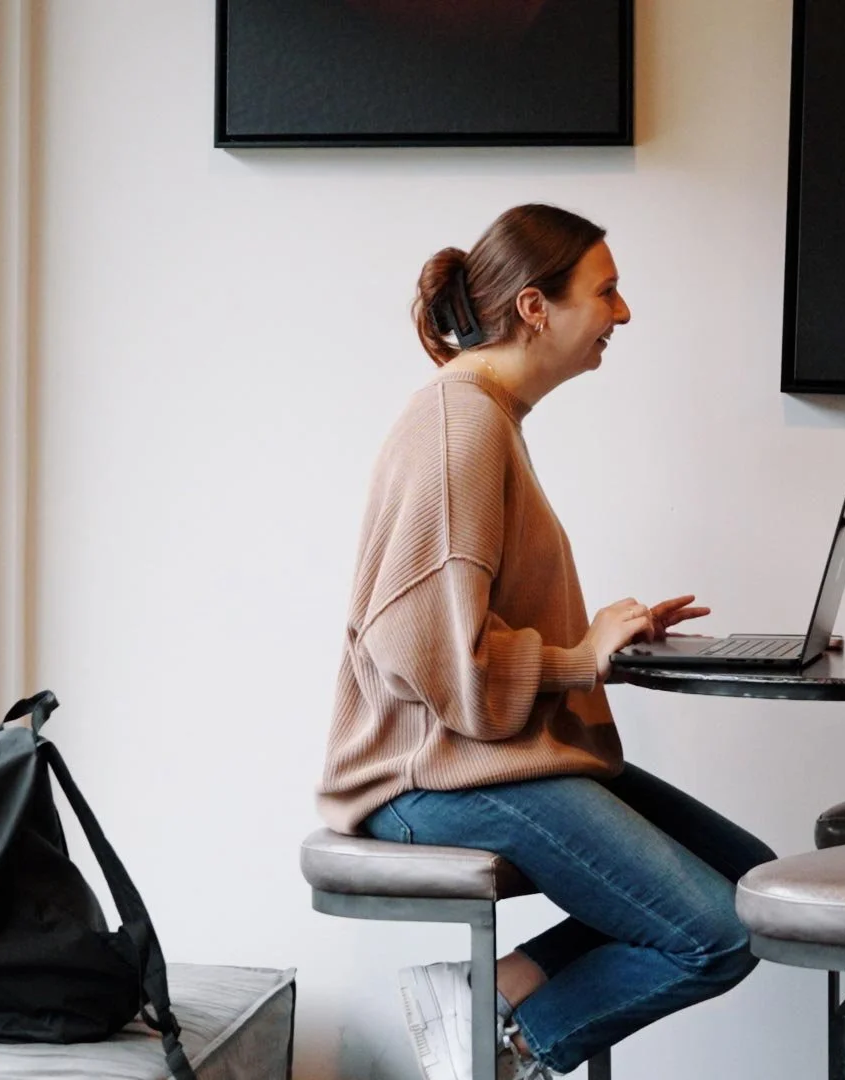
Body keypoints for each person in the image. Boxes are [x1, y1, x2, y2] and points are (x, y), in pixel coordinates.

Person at [316, 204, 775, 1080]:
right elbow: (418, 646)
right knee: (715, 934)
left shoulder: (488, 419)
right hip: (428, 772)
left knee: (756, 888)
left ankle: (490, 997)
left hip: (489, 755)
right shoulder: (463, 427)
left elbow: (460, 622)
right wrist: (574, 658)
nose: (624, 313)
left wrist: (605, 641)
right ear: (536, 308)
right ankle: (503, 1051)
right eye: (607, 292)